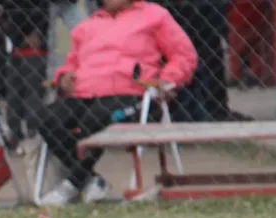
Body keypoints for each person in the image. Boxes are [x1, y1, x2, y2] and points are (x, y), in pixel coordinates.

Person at [36, 0, 196, 205]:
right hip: (84, 93)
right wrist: (64, 75)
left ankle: (73, 184)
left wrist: (167, 80)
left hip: (132, 94)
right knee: (47, 119)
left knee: (94, 120)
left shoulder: (155, 16)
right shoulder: (89, 25)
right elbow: (71, 63)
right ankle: (91, 180)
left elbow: (185, 55)